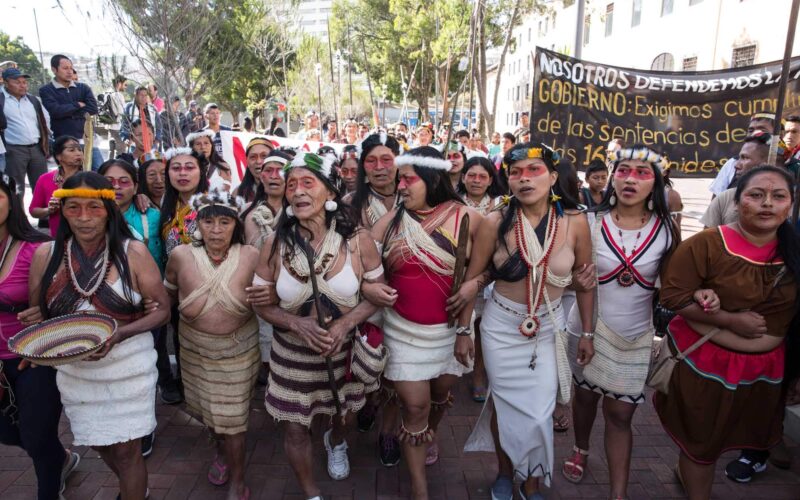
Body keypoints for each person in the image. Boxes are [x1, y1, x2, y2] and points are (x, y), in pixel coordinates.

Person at [448, 142, 593, 500]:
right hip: (501, 327)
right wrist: (465, 331)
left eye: (534, 171)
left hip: (548, 328)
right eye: (515, 173)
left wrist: (588, 332)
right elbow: (473, 280)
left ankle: (531, 480)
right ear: (508, 181)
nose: (524, 179)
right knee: (505, 404)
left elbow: (587, 282)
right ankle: (503, 471)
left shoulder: (575, 222)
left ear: (553, 177)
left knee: (540, 411)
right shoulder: (495, 222)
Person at [654, 165, 799, 499]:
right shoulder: (707, 244)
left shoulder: (795, 252)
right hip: (705, 368)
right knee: (700, 446)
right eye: (756, 195)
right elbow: (672, 297)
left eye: (778, 196)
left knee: (735, 438)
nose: (767, 204)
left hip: (764, 374)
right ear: (737, 202)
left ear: (790, 204)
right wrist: (727, 320)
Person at [251, 152, 385, 499]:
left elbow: (377, 296)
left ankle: (336, 441)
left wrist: (344, 326)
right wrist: (295, 323)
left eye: (307, 183)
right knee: (296, 430)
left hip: (342, 354)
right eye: (291, 184)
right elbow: (261, 304)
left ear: (330, 193)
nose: (296, 191)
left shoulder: (358, 241)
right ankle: (311, 492)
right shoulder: (274, 244)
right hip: (291, 358)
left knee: (343, 416)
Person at [29, 171, 170, 500]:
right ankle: (133, 486)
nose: (84, 217)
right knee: (98, 442)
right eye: (73, 207)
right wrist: (35, 320)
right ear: (61, 210)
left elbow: (162, 309)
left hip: (128, 368)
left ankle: (134, 490)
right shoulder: (45, 256)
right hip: (75, 373)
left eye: (94, 207)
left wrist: (121, 333)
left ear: (109, 210)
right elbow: (40, 316)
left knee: (127, 452)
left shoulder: (132, 252)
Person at [562, 146, 679, 500]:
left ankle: (618, 494)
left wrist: (705, 296)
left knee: (621, 414)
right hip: (586, 328)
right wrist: (574, 283)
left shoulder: (667, 229)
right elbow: (562, 276)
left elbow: (674, 287)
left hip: (635, 336)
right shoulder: (587, 221)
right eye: (623, 170)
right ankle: (580, 448)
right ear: (612, 177)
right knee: (584, 399)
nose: (630, 178)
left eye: (642, 173)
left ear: (656, 183)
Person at [371, 146, 481, 498]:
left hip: (451, 331)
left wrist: (466, 323)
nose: (399, 185)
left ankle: (426, 432)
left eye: (408, 178)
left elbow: (485, 271)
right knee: (415, 405)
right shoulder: (388, 222)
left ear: (431, 179)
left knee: (440, 394)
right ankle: (420, 489)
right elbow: (362, 268)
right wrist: (369, 287)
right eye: (399, 178)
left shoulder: (468, 218)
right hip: (402, 330)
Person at [165, 189, 259, 500]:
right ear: (197, 224)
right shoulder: (180, 256)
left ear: (236, 224)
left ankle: (239, 480)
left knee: (233, 419)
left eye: (224, 222)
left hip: (238, 353)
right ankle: (220, 451)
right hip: (195, 352)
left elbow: (269, 296)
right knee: (209, 413)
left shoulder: (251, 256)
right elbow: (166, 297)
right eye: (208, 222)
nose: (216, 230)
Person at [0, 174, 81, 500]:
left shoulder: (37, 247)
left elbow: (70, 299)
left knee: (36, 434)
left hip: (33, 356)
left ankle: (49, 490)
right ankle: (60, 458)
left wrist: (46, 313)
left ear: (10, 200)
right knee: (7, 433)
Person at [455, 155, 504, 404]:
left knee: (481, 327)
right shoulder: (451, 202)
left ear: (490, 180)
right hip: (456, 273)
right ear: (463, 178)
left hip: (489, 277)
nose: (476, 180)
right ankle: (450, 371)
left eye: (482, 176)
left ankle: (478, 375)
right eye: (471, 175)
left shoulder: (500, 205)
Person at [38, 55, 100, 169]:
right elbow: (55, 111)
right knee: (72, 177)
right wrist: (77, 105)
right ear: (54, 70)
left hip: (88, 141)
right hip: (64, 144)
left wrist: (67, 113)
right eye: (65, 68)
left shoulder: (83, 88)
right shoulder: (46, 91)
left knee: (99, 174)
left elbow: (93, 109)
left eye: (71, 68)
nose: (70, 71)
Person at [700, 132, 772, 228]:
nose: (737, 165)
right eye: (739, 158)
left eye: (745, 158)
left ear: (765, 164)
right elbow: (706, 239)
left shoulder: (786, 201)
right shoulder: (725, 198)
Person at [1, 67, 51, 199]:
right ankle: (18, 219)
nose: (22, 85)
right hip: (13, 150)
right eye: (17, 82)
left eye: (24, 82)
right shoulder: (1, 100)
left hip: (36, 149)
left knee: (42, 187)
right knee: (16, 190)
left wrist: (45, 143)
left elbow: (44, 121)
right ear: (5, 83)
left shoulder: (32, 100)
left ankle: (44, 218)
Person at [708, 113, 775, 196]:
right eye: (751, 130)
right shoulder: (732, 163)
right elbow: (717, 200)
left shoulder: (792, 167)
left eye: (762, 130)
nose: (755, 134)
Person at [29, 136, 83, 237]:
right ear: (59, 156)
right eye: (72, 150)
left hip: (86, 236)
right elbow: (33, 210)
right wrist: (49, 210)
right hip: (58, 238)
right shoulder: (45, 179)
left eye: (80, 149)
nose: (78, 153)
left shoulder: (90, 178)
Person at [233, 137, 274, 203]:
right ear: (247, 161)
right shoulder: (238, 193)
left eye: (264, 156)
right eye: (253, 157)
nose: (258, 161)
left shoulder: (285, 189)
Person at [120, 87, 161, 151]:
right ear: (136, 95)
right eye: (141, 95)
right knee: (136, 160)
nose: (144, 97)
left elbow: (159, 126)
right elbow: (124, 125)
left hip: (151, 145)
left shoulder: (152, 109)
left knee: (152, 160)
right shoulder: (129, 108)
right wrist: (126, 138)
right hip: (135, 145)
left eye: (145, 95)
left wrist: (157, 140)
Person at [106, 75, 127, 151]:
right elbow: (122, 112)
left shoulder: (107, 92)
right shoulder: (118, 95)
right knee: (121, 149)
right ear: (119, 84)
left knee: (111, 150)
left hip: (109, 125)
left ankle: (109, 162)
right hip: (118, 126)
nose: (125, 87)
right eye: (125, 84)